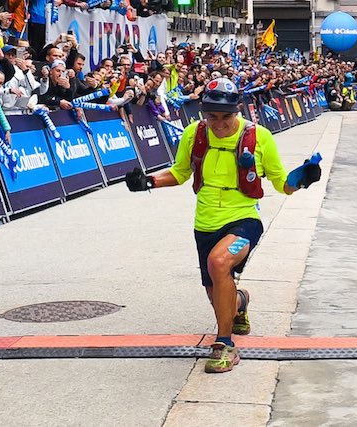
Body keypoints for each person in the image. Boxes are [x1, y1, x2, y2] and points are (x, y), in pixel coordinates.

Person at [124, 78, 321, 374]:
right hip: (205, 223)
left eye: (226, 117)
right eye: (212, 116)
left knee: (219, 263)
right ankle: (240, 303)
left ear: (237, 110)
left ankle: (225, 344)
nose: (219, 124)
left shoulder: (259, 137)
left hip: (244, 219)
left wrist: (302, 178)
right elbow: (179, 174)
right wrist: (147, 182)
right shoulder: (194, 134)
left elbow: (282, 184)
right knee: (216, 294)